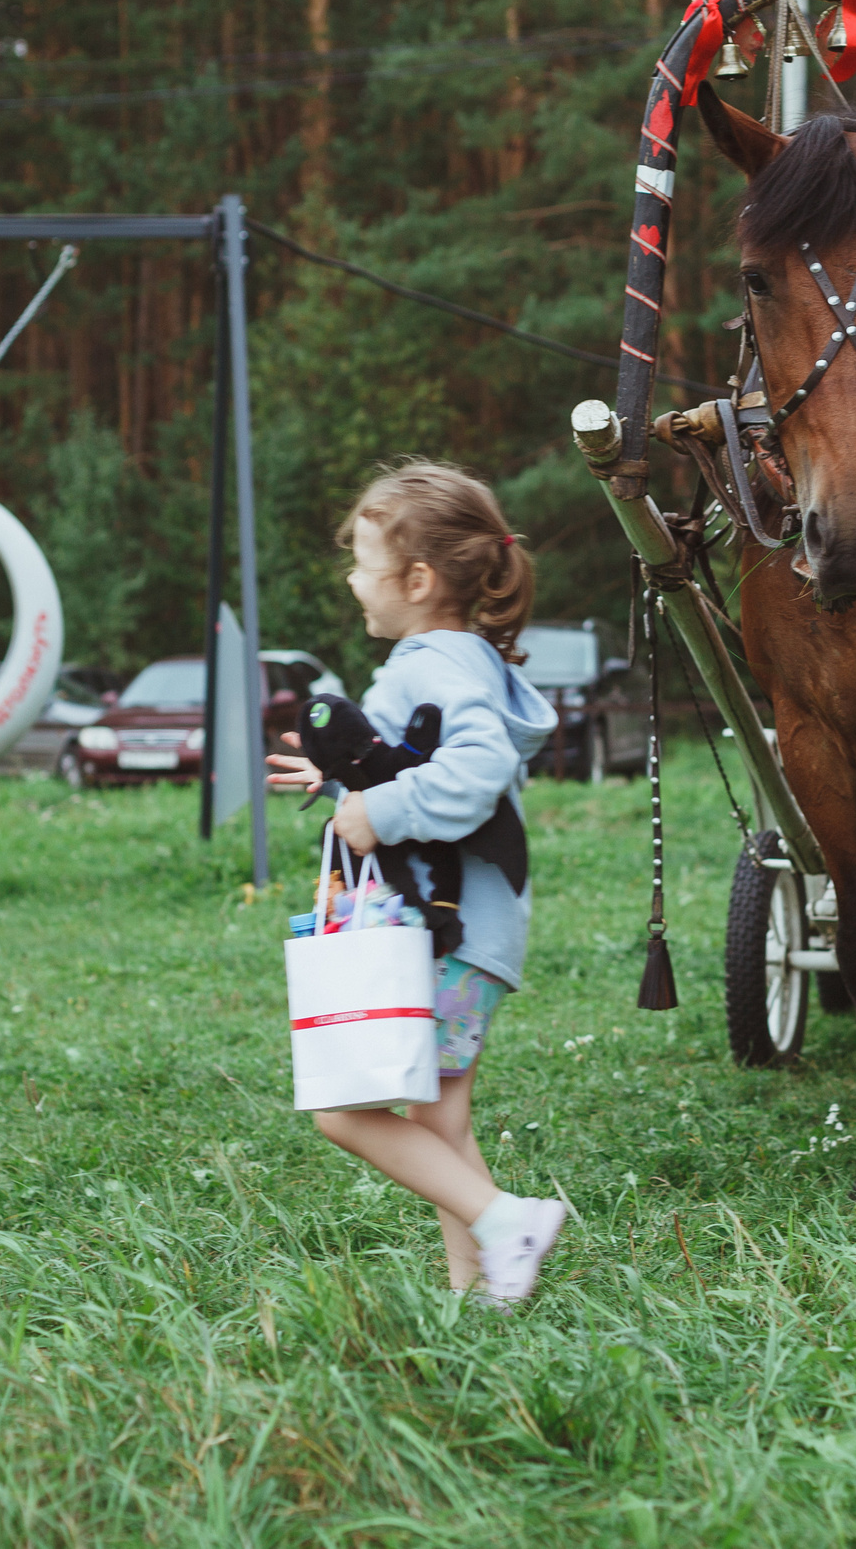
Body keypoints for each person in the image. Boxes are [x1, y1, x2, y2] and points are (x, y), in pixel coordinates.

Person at [264, 461, 564, 1306]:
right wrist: (339, 788)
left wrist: (380, 811)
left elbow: (477, 767)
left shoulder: (431, 664)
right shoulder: (457, 660)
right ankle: (485, 1290)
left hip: (451, 929)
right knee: (440, 1123)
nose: (353, 579)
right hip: (474, 928)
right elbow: (417, 765)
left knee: (344, 1112)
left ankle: (509, 1221)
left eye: (361, 562)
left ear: (419, 578)